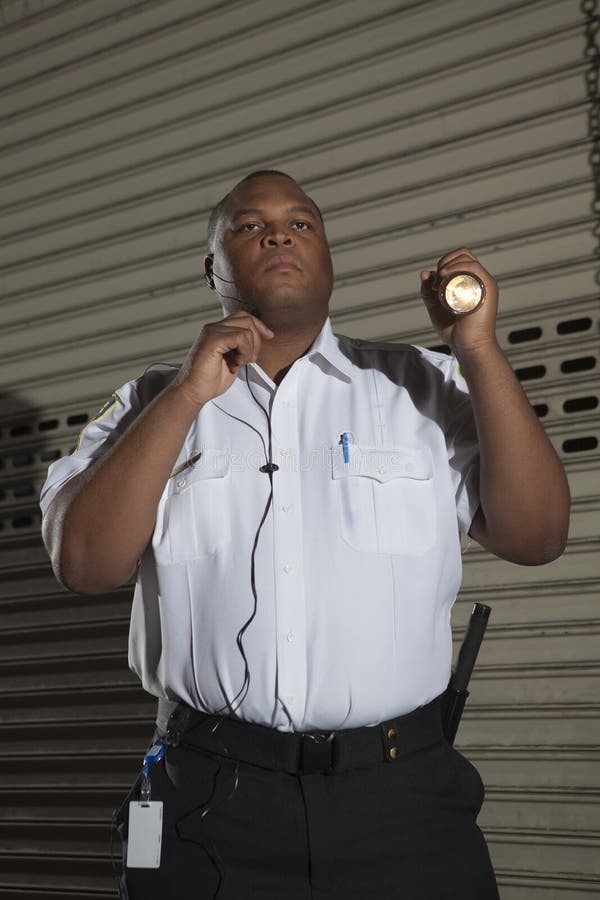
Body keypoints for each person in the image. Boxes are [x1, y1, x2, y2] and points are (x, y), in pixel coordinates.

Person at [40, 170, 570, 899]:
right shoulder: (146, 404)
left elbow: (537, 535)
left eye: (301, 222)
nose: (278, 234)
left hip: (402, 803)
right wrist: (189, 395)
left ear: (327, 259)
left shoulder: (422, 384)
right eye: (247, 225)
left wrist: (476, 350)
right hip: (205, 800)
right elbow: (85, 563)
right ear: (212, 268)